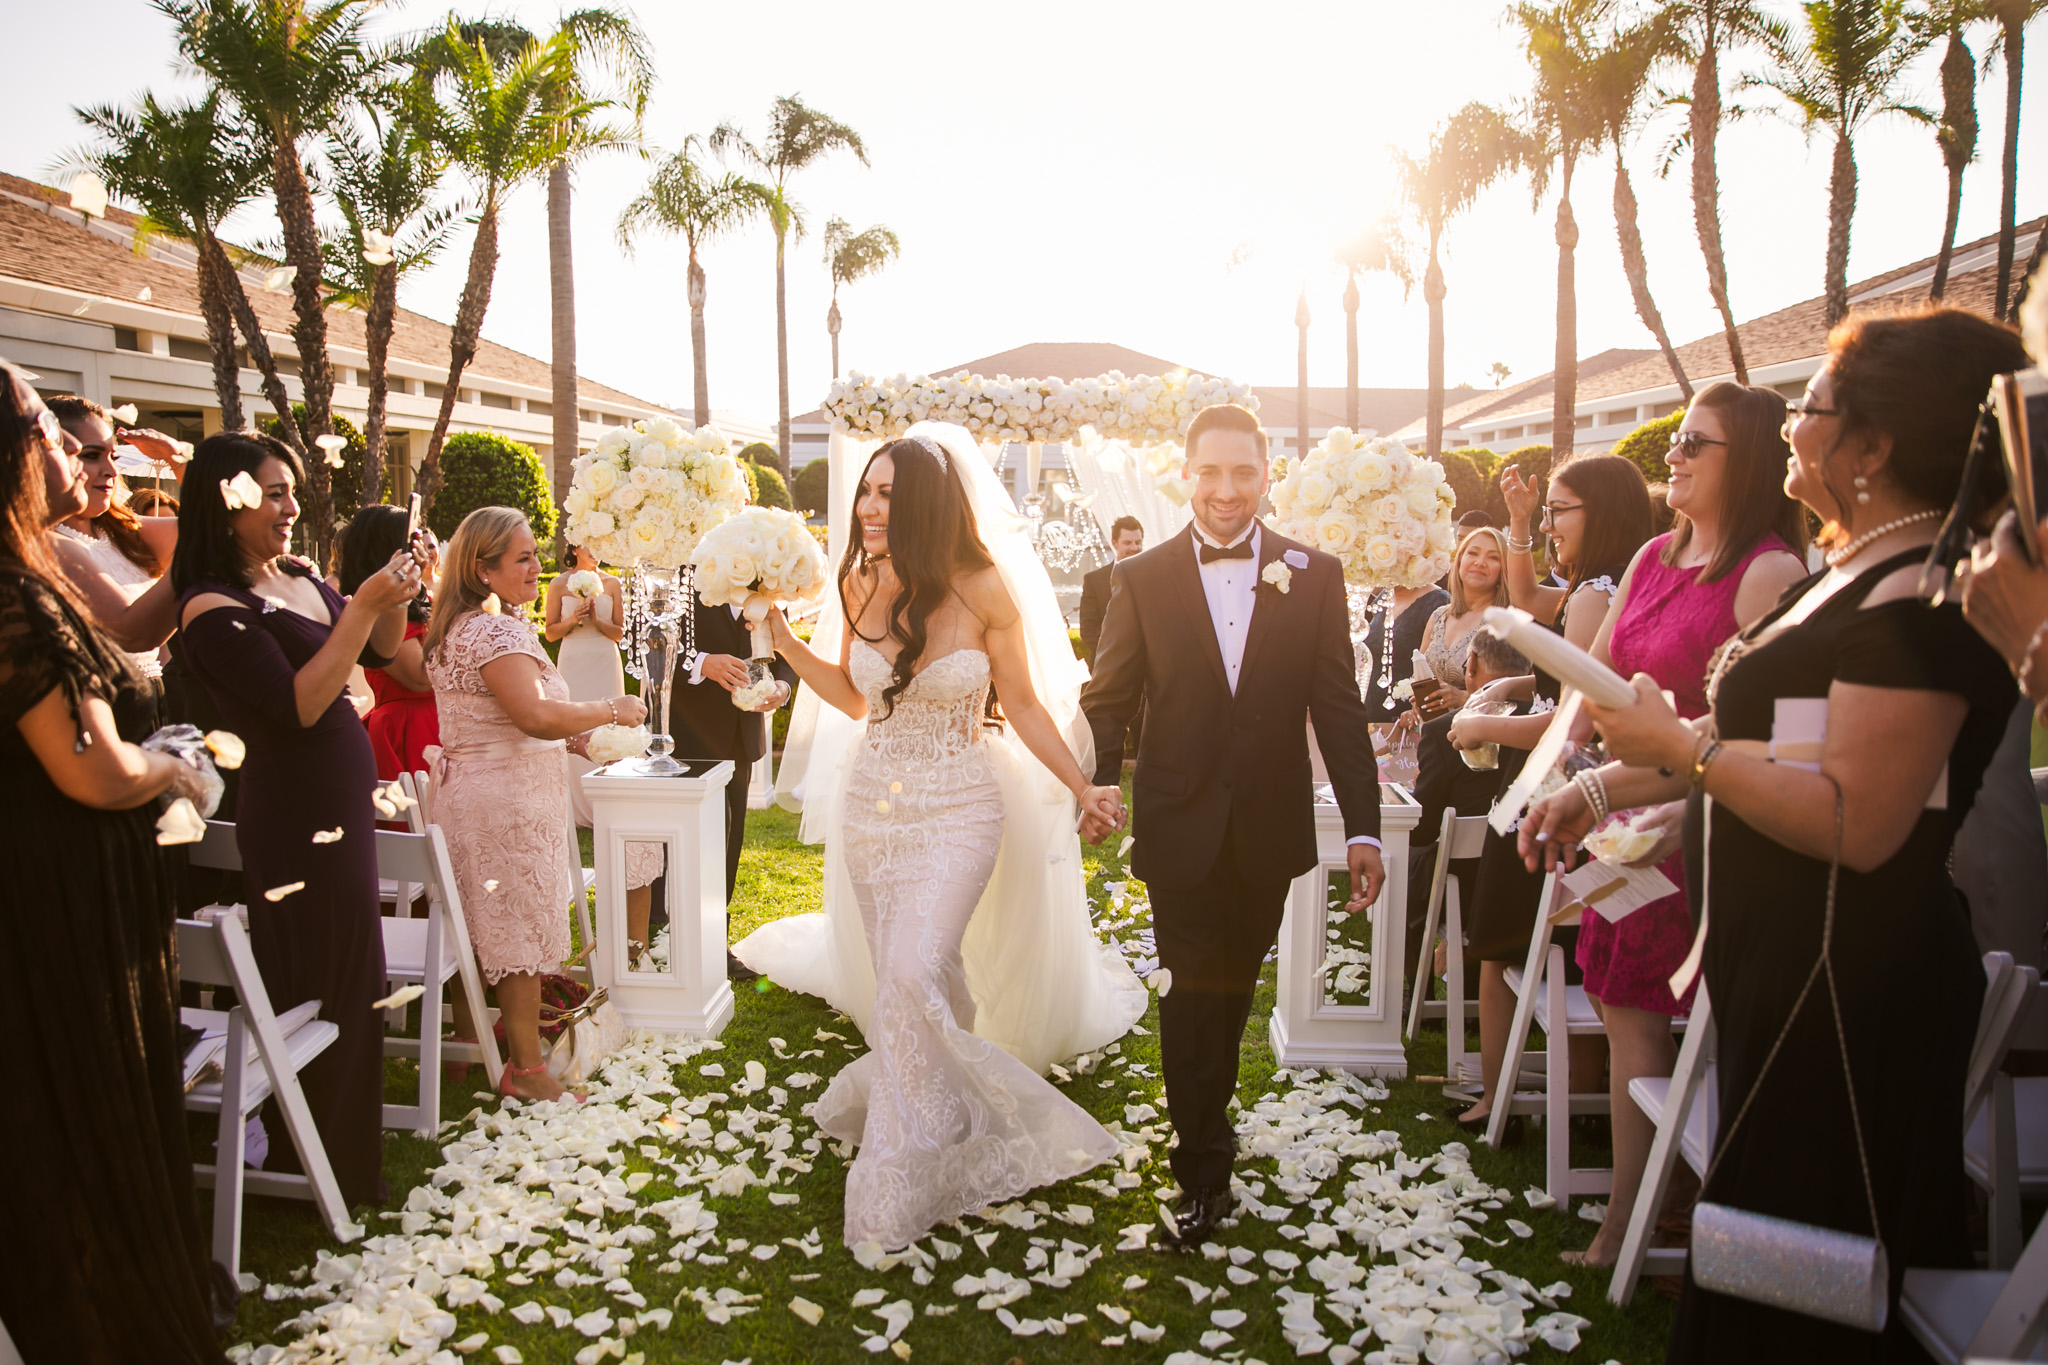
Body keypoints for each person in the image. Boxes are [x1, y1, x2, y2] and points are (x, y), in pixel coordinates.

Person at [1519, 307, 2028, 1361]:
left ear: (1874, 444)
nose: (1793, 425)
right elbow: (1764, 746)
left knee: (1798, 1287)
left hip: (1847, 995)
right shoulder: (1855, 566)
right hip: (1775, 978)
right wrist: (1613, 790)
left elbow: (1854, 817)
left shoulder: (1926, 592)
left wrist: (1687, 756)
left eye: (1811, 407)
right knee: (1752, 1258)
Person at [738, 423, 1145, 1251]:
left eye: (888, 492)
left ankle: (903, 1160)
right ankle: (944, 1104)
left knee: (911, 966)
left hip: (961, 802)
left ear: (927, 501)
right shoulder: (859, 583)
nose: (869, 505)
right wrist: (783, 642)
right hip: (873, 810)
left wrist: (1080, 784)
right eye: (867, 491)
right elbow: (854, 701)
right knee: (919, 973)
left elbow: (1025, 705)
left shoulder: (985, 586)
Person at [1080, 402, 1386, 1249]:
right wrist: (1094, 781)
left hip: (1266, 828)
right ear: (1186, 473)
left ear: (1266, 474)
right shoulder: (1139, 579)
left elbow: (1339, 710)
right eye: (1210, 472)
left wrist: (1363, 827)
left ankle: (1207, 1127)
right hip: (1177, 824)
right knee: (1188, 997)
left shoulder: (1314, 574)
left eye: (1243, 472)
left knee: (1231, 993)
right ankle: (1203, 1168)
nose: (1226, 490)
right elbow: (1107, 700)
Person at [0, 363, 229, 1364]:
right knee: (65, 1144)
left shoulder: (41, 568)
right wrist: (173, 767)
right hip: (52, 915)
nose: (64, 444)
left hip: (79, 899)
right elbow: (90, 770)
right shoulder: (13, 594)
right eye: (47, 425)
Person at [1559, 381, 1809, 1269]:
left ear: (1747, 461)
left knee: (1669, 1019)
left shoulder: (1772, 573)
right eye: (1675, 443)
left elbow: (1760, 731)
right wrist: (1560, 774)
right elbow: (1594, 683)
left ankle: (1644, 1217)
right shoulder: (1654, 556)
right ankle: (1649, 1202)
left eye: (1694, 443)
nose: (1674, 455)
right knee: (1620, 1002)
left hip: (1699, 826)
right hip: (1622, 820)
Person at [173, 430, 424, 1206]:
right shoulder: (210, 608)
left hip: (341, 807)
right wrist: (369, 604)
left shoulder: (299, 575)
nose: (289, 509)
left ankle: (340, 1156)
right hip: (291, 816)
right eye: (271, 494)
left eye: (290, 492)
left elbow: (376, 654)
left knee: (358, 975)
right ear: (226, 502)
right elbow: (299, 702)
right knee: (318, 977)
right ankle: (314, 1160)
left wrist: (401, 587)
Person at [1443, 452, 1651, 1135]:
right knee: (1575, 943)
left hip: (1547, 782)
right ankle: (1583, 1099)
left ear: (1603, 511)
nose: (1555, 521)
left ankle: (1494, 1093)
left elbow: (1573, 712)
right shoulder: (1612, 582)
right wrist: (1522, 525)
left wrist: (1480, 723)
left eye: (1562, 509)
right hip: (1589, 785)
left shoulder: (1594, 590)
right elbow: (1537, 619)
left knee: (1500, 941)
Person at [423, 507, 645, 1103]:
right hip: (503, 805)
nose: (537, 566)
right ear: (482, 568)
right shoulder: (495, 631)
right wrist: (610, 710)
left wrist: (586, 741)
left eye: (534, 554)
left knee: (481, 924)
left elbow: (498, 718)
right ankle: (525, 1070)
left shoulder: (462, 625)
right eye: (521, 558)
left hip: (476, 794)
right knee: (515, 931)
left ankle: (468, 1052)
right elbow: (532, 715)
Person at [1405, 629, 1529, 1003]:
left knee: (1410, 858)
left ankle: (1417, 989)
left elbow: (1423, 827)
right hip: (1528, 875)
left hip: (1460, 882)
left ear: (1470, 663)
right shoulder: (1541, 725)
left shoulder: (1446, 730)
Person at [45, 396, 188, 713]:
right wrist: (197, 555)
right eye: (91, 455)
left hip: (155, 701)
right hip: (104, 710)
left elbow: (221, 526)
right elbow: (133, 632)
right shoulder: (48, 543)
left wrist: (177, 461)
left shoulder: (123, 532)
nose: (111, 470)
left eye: (113, 455)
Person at [336, 505, 438, 783]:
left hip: (434, 720)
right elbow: (419, 678)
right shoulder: (382, 606)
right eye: (413, 541)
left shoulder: (419, 597)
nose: (422, 550)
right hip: (407, 728)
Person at [543, 543, 625, 828]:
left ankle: (609, 801)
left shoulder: (612, 583)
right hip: (574, 659)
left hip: (604, 659)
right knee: (574, 726)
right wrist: (572, 620)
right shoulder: (558, 584)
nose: (596, 551)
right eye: (591, 545)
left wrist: (597, 621)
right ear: (576, 548)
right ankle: (575, 807)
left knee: (608, 724)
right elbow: (550, 633)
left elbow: (619, 633)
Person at [1411, 525, 1511, 721]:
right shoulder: (1438, 616)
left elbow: (1512, 697)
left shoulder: (1505, 622)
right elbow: (1419, 679)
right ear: (1459, 562)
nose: (1480, 562)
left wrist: (1461, 697)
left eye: (1493, 557)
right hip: (1430, 734)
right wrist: (1415, 708)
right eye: (1472, 553)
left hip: (1474, 734)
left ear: (1503, 570)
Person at [1363, 577, 1449, 721]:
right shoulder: (1384, 596)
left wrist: (1415, 709)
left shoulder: (1438, 602)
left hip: (1406, 718)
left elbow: (1433, 668)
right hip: (1370, 711)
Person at [1079, 515, 1144, 661]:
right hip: (1105, 666)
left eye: (1138, 542)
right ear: (1114, 543)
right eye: (1127, 543)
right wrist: (1117, 656)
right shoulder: (1093, 581)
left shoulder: (1153, 577)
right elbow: (1088, 630)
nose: (1134, 548)